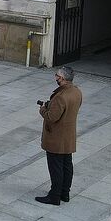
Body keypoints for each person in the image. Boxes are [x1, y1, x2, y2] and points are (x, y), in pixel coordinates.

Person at [36, 66, 83, 205]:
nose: (55, 77)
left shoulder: (61, 97)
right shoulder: (76, 92)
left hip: (56, 138)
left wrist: (43, 109)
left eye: (57, 75)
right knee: (67, 165)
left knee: (56, 167)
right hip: (68, 136)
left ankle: (54, 196)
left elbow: (52, 117)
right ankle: (65, 193)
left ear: (62, 78)